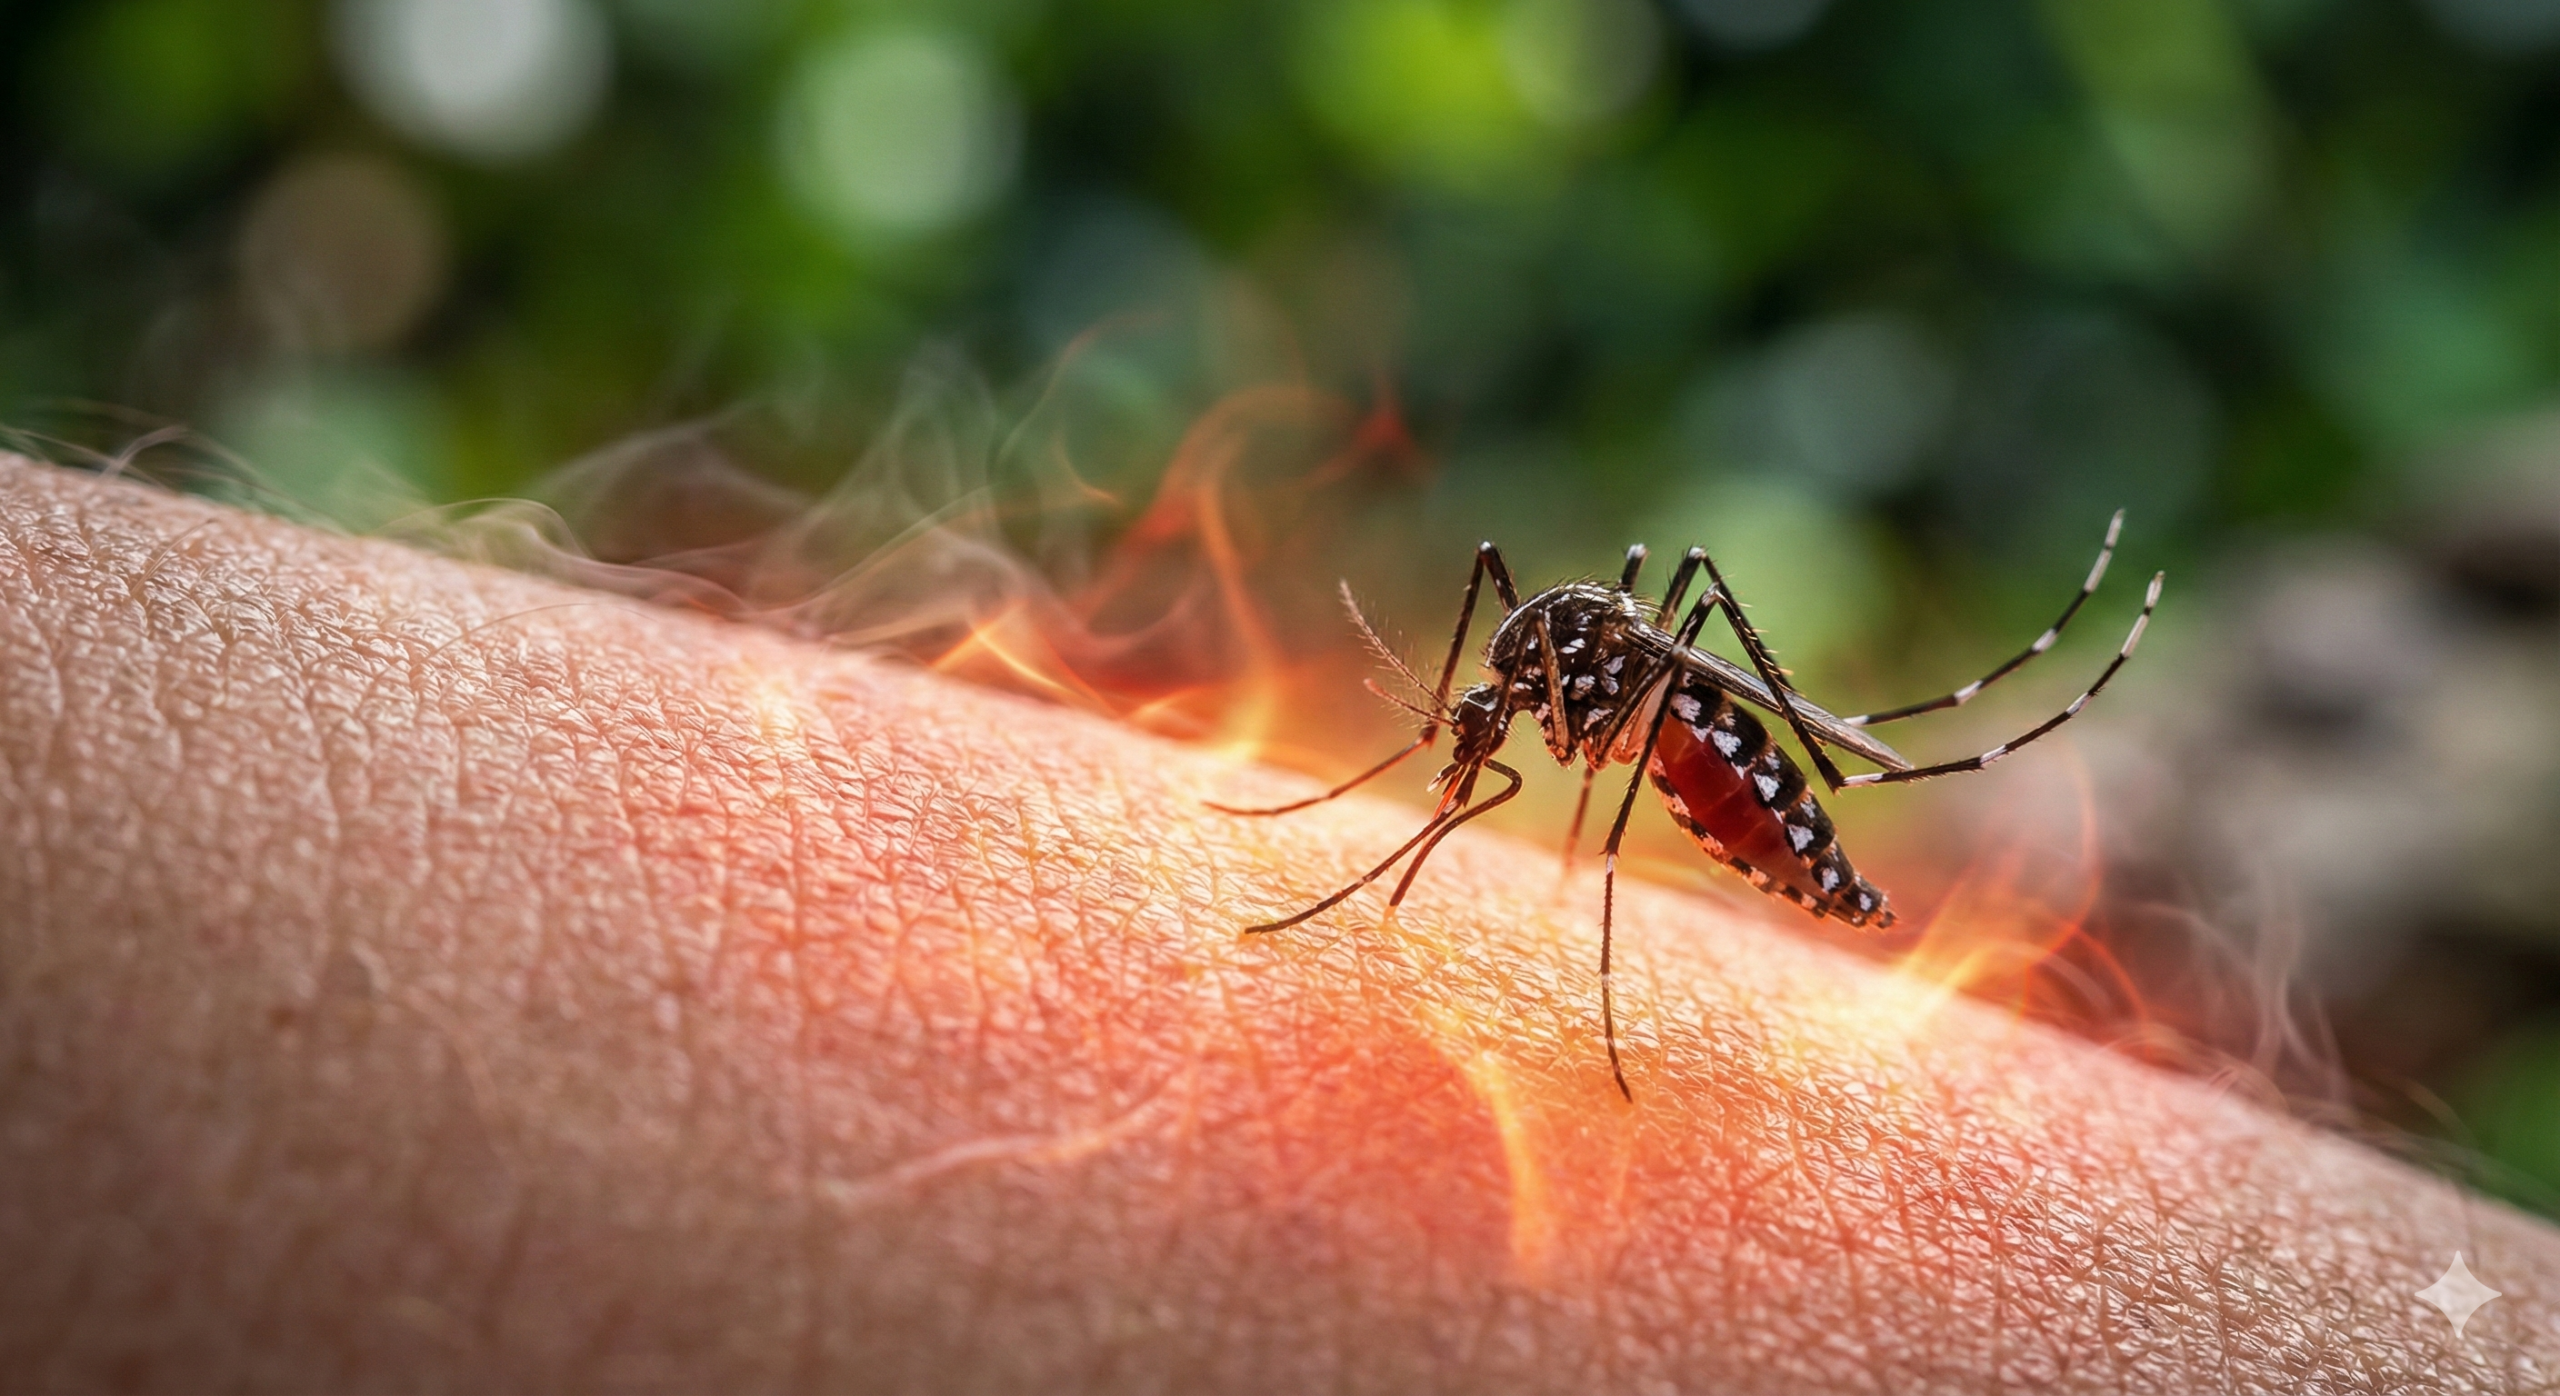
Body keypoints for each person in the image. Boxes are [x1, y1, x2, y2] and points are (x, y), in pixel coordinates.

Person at [0, 455, 2546, 1393]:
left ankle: (1865, 754)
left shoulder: (1600, 696)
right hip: (1658, 719)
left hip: (1740, 744)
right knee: (1588, 638)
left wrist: (1663, 801)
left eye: (1463, 752)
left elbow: (1598, 683)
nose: (1477, 744)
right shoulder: (1525, 673)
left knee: (1664, 667)